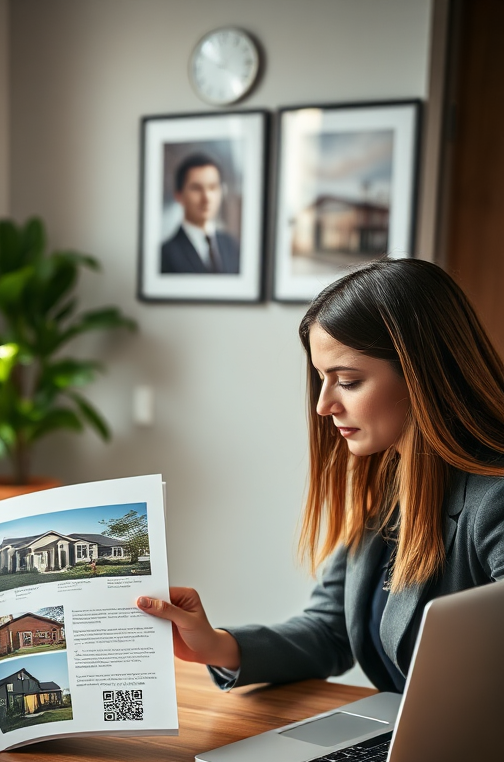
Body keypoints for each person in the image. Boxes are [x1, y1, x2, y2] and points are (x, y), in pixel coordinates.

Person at [138, 258, 504, 691]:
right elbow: (331, 631)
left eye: (347, 381)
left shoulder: (492, 502)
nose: (323, 405)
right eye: (320, 378)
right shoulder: (391, 481)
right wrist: (216, 645)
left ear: (423, 375)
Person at [159, 152, 240, 275]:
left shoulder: (232, 246)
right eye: (196, 188)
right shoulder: (165, 254)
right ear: (179, 195)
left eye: (213, 187)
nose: (206, 198)